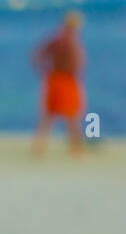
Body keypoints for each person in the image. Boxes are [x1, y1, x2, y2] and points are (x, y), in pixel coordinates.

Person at [31, 10, 87, 155]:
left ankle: (41, 146)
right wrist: (45, 70)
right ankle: (75, 148)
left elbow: (38, 54)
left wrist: (44, 71)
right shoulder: (65, 39)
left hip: (58, 78)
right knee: (71, 115)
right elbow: (38, 54)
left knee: (51, 115)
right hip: (64, 79)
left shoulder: (60, 39)